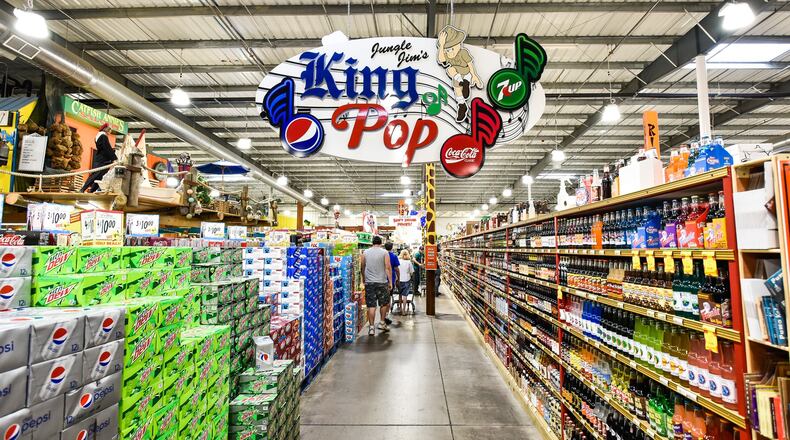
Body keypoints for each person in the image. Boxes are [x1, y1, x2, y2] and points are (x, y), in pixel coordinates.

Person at [360, 235, 392, 335]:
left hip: (369, 283)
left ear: (372, 243)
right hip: (382, 282)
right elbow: (388, 267)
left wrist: (364, 279)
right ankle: (382, 323)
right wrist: (390, 281)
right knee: (383, 303)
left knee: (371, 306)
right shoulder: (384, 252)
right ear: (381, 243)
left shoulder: (365, 252)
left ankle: (371, 328)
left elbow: (362, 267)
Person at [81, 122, 117, 193]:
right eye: (110, 130)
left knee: (100, 177)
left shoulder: (99, 136)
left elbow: (105, 148)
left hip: (102, 159)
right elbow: (107, 148)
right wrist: (114, 158)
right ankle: (83, 189)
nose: (110, 132)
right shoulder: (103, 136)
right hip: (102, 160)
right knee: (95, 175)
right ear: (106, 130)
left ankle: (91, 191)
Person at [384, 242, 399, 325]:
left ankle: (383, 316)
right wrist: (398, 278)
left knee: (382, 299)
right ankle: (386, 315)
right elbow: (396, 268)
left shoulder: (382, 255)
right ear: (392, 247)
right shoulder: (393, 256)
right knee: (388, 298)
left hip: (381, 278)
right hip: (391, 279)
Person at [397, 249, 414, 315]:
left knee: (400, 294)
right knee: (405, 295)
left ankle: (400, 307)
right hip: (406, 280)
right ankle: (404, 310)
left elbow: (396, 270)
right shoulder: (409, 262)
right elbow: (412, 272)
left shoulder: (398, 261)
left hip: (399, 280)